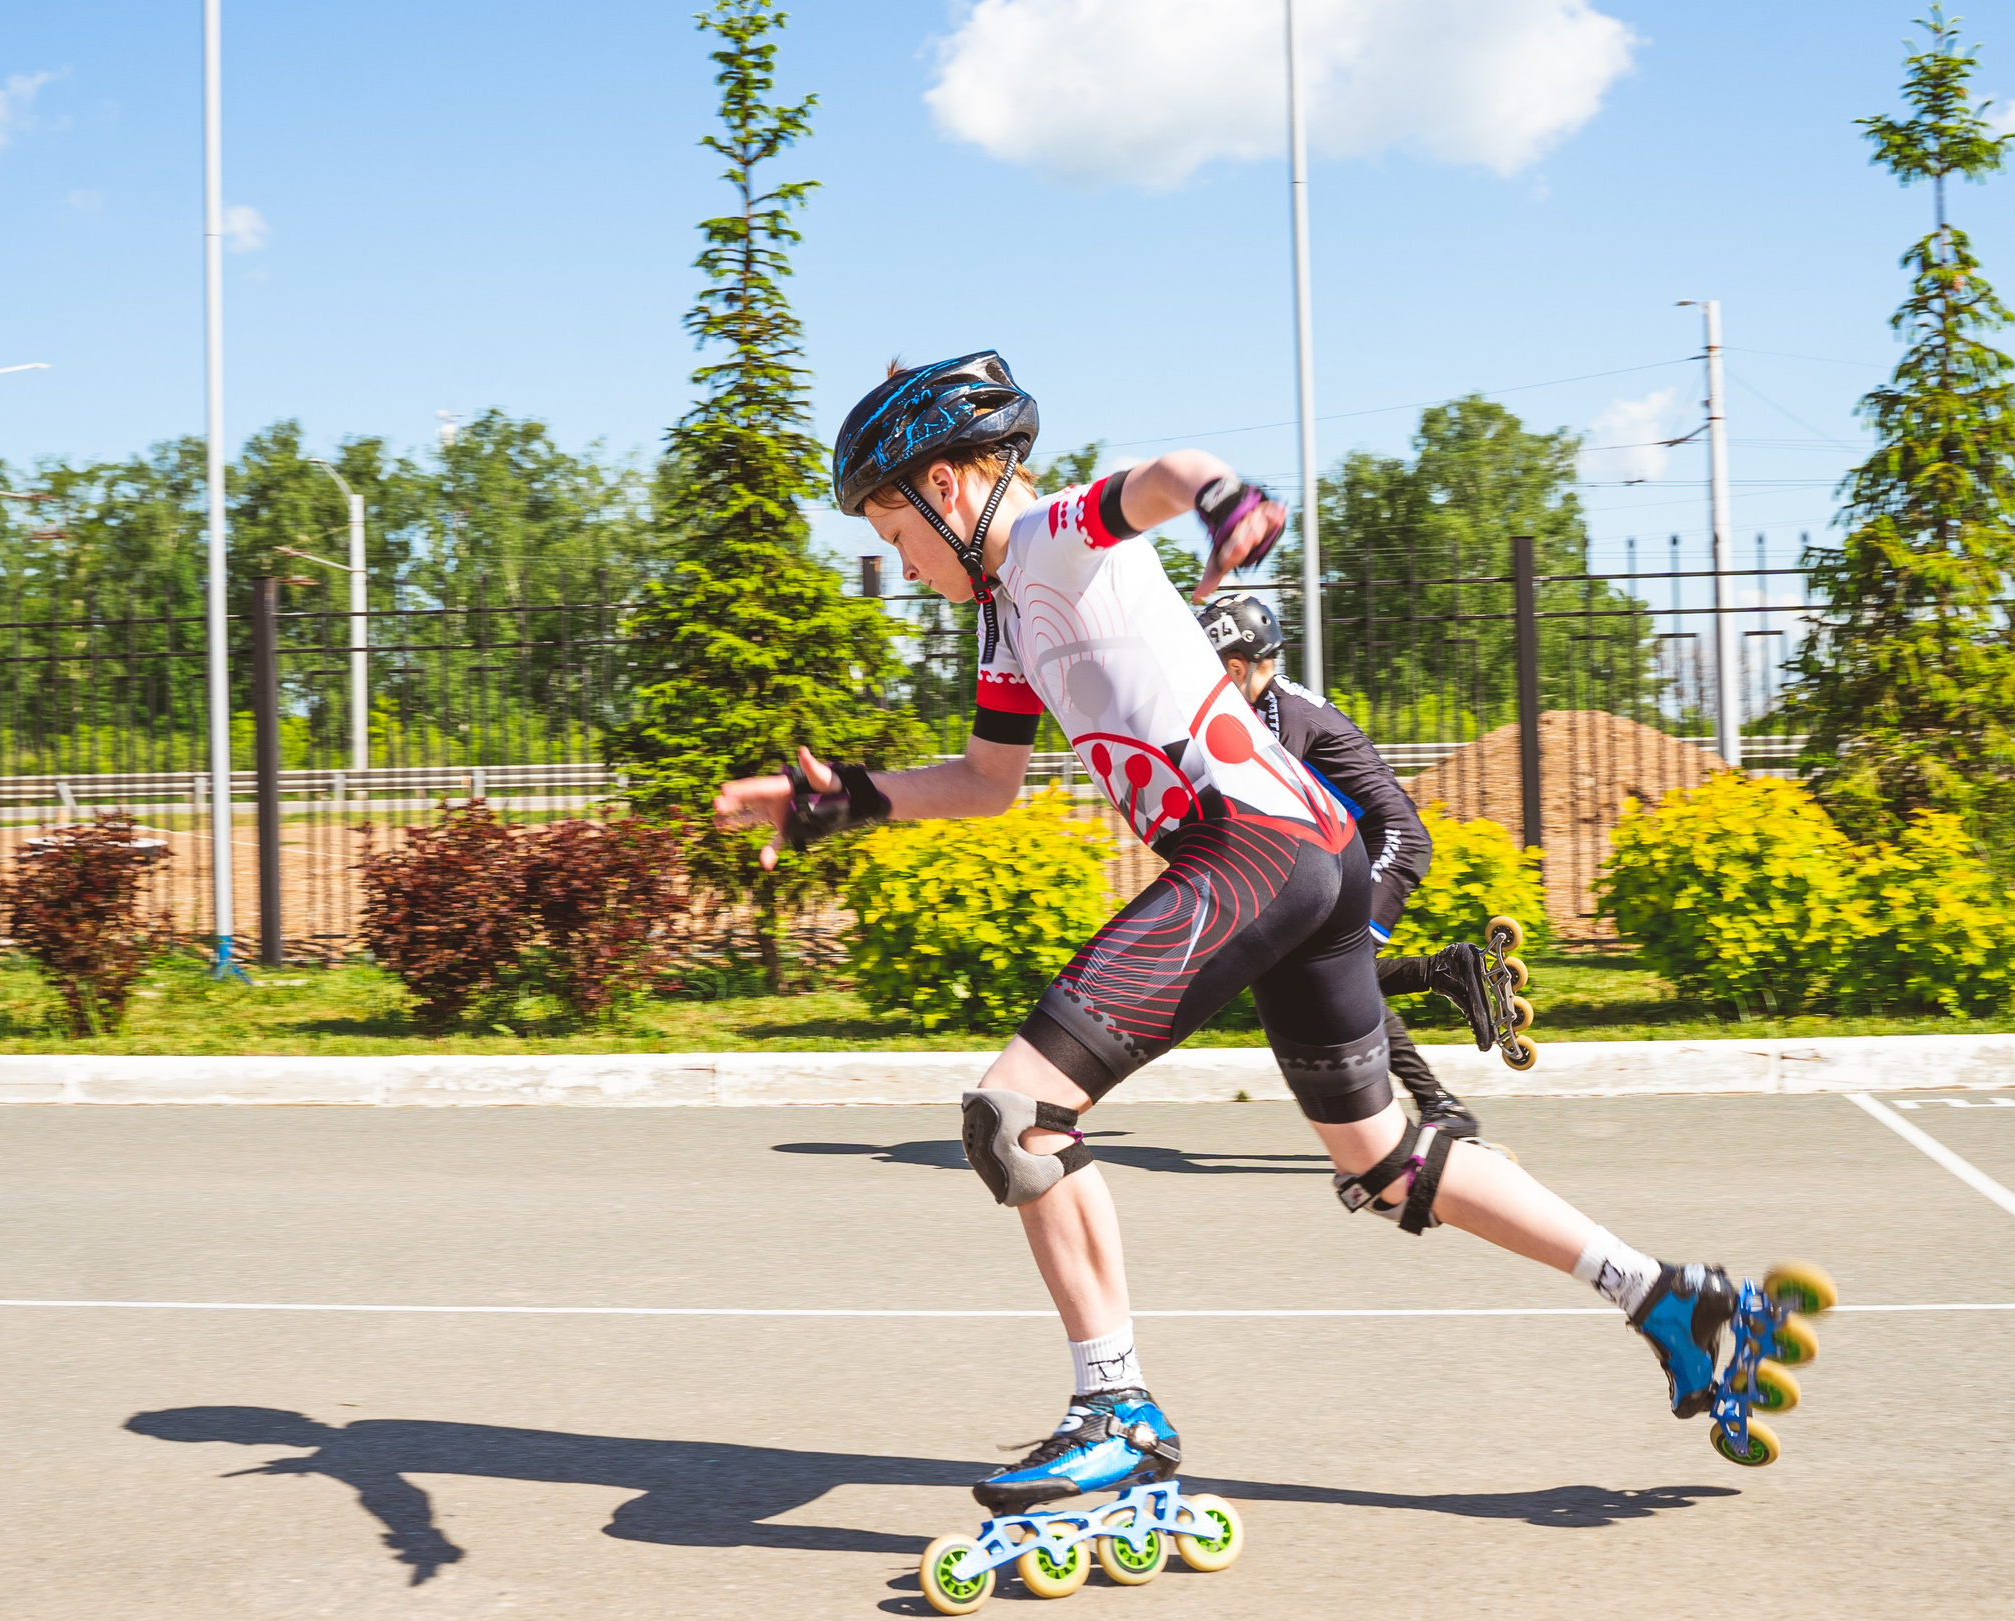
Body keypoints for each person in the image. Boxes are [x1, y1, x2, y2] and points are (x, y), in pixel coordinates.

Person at [712, 352, 1787, 1517]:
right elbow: (983, 781)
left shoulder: (1049, 539)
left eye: (890, 522)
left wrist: (1229, 504)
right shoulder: (1004, 625)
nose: (893, 555)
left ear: (953, 486)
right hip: (1307, 860)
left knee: (1017, 1115)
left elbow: (1170, 475)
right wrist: (846, 801)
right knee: (1385, 1167)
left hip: (1253, 850)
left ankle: (1115, 1408)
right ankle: (1669, 1297)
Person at [1192, 590, 1504, 1140]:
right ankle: (1444, 972)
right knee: (1307, 971)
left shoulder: (1282, 715)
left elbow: (1263, 807)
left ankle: (1439, 1104)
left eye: (1213, 674)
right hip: (1357, 848)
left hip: (1392, 843)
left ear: (1238, 667)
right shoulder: (1269, 706)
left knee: (1345, 974)